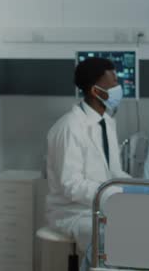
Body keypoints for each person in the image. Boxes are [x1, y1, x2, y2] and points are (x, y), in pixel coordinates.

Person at [45, 57, 131, 256]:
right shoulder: (69, 128)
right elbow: (71, 185)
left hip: (102, 205)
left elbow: (114, 171)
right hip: (72, 212)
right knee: (114, 237)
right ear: (95, 91)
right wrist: (113, 195)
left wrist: (135, 187)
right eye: (114, 84)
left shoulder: (107, 122)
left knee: (142, 227)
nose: (119, 88)